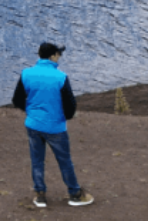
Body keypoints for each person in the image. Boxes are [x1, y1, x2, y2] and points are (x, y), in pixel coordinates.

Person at [12, 42, 94, 208]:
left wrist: (31, 111)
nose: (59, 57)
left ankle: (40, 194)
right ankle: (74, 193)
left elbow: (17, 99)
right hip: (55, 126)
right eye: (58, 54)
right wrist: (65, 118)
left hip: (33, 124)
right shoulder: (61, 77)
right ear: (52, 56)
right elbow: (70, 105)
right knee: (64, 161)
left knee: (37, 160)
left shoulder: (26, 74)